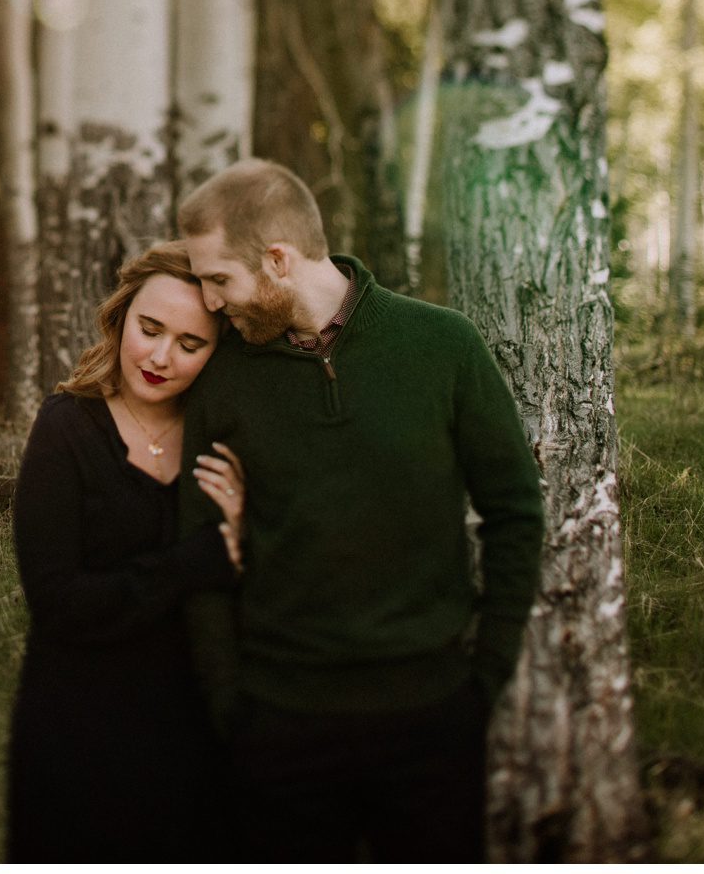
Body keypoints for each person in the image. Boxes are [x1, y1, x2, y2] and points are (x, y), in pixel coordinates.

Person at [175, 158, 545, 863]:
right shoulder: (225, 380)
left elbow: (515, 511)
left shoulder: (443, 346)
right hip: (279, 728)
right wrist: (229, 704)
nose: (211, 301)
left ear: (278, 260)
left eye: (218, 278)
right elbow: (198, 545)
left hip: (430, 721)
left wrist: (485, 678)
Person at [5, 241, 245, 863]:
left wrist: (248, 538)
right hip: (79, 729)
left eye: (191, 345)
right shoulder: (66, 427)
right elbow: (59, 602)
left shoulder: (224, 440)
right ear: (120, 318)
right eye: (150, 329)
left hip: (199, 728)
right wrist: (199, 560)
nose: (161, 357)